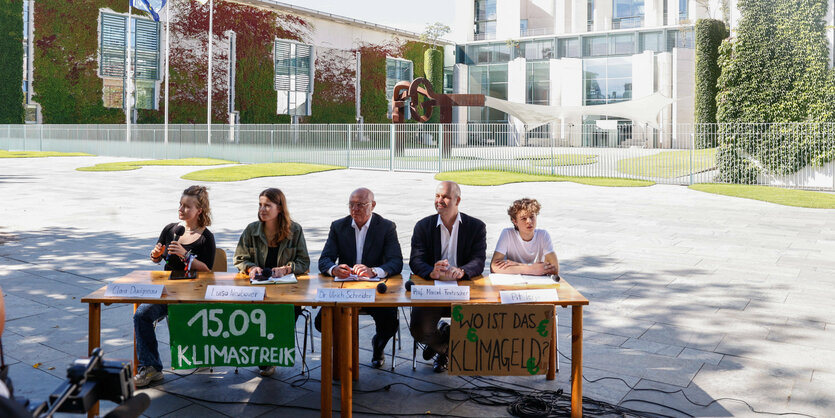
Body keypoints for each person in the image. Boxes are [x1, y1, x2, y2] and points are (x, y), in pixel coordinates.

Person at [134, 186, 216, 388]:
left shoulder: (206, 238)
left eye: (187, 206)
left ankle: (201, 356)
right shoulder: (171, 230)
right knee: (141, 315)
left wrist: (186, 255)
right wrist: (155, 255)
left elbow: (207, 270)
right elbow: (159, 257)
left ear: (200, 210)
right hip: (167, 290)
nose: (181, 209)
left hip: (194, 294)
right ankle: (151, 368)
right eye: (181, 204)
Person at [317, 188, 403, 368]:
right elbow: (324, 259)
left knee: (389, 322)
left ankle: (378, 345)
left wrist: (374, 271)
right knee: (321, 322)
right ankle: (345, 350)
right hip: (345, 290)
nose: (354, 209)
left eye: (360, 205)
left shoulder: (386, 227)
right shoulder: (338, 226)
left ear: (372, 205)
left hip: (374, 290)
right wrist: (334, 269)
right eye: (351, 205)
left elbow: (396, 262)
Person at [409, 181, 486, 373]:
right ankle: (444, 348)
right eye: (437, 196)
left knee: (484, 324)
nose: (439, 200)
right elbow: (415, 260)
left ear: (457, 200)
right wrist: (430, 271)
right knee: (419, 329)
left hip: (464, 290)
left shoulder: (476, 227)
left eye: (445, 197)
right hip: (433, 290)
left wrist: (462, 271)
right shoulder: (423, 226)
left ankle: (441, 350)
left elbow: (478, 260)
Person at [234, 188, 310, 377]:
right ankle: (263, 355)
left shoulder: (295, 230)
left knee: (285, 313)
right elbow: (239, 258)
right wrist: (251, 268)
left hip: (287, 291)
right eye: (260, 205)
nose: (262, 209)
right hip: (257, 290)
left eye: (267, 205)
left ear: (280, 208)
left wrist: (287, 268)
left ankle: (270, 354)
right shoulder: (251, 230)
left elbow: (304, 262)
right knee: (251, 313)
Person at [490, 198, 559, 276]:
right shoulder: (507, 234)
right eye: (523, 218)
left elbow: (554, 269)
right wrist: (531, 269)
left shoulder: (543, 235)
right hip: (513, 282)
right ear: (515, 221)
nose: (529, 221)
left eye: (532, 217)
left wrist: (517, 265)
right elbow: (493, 267)